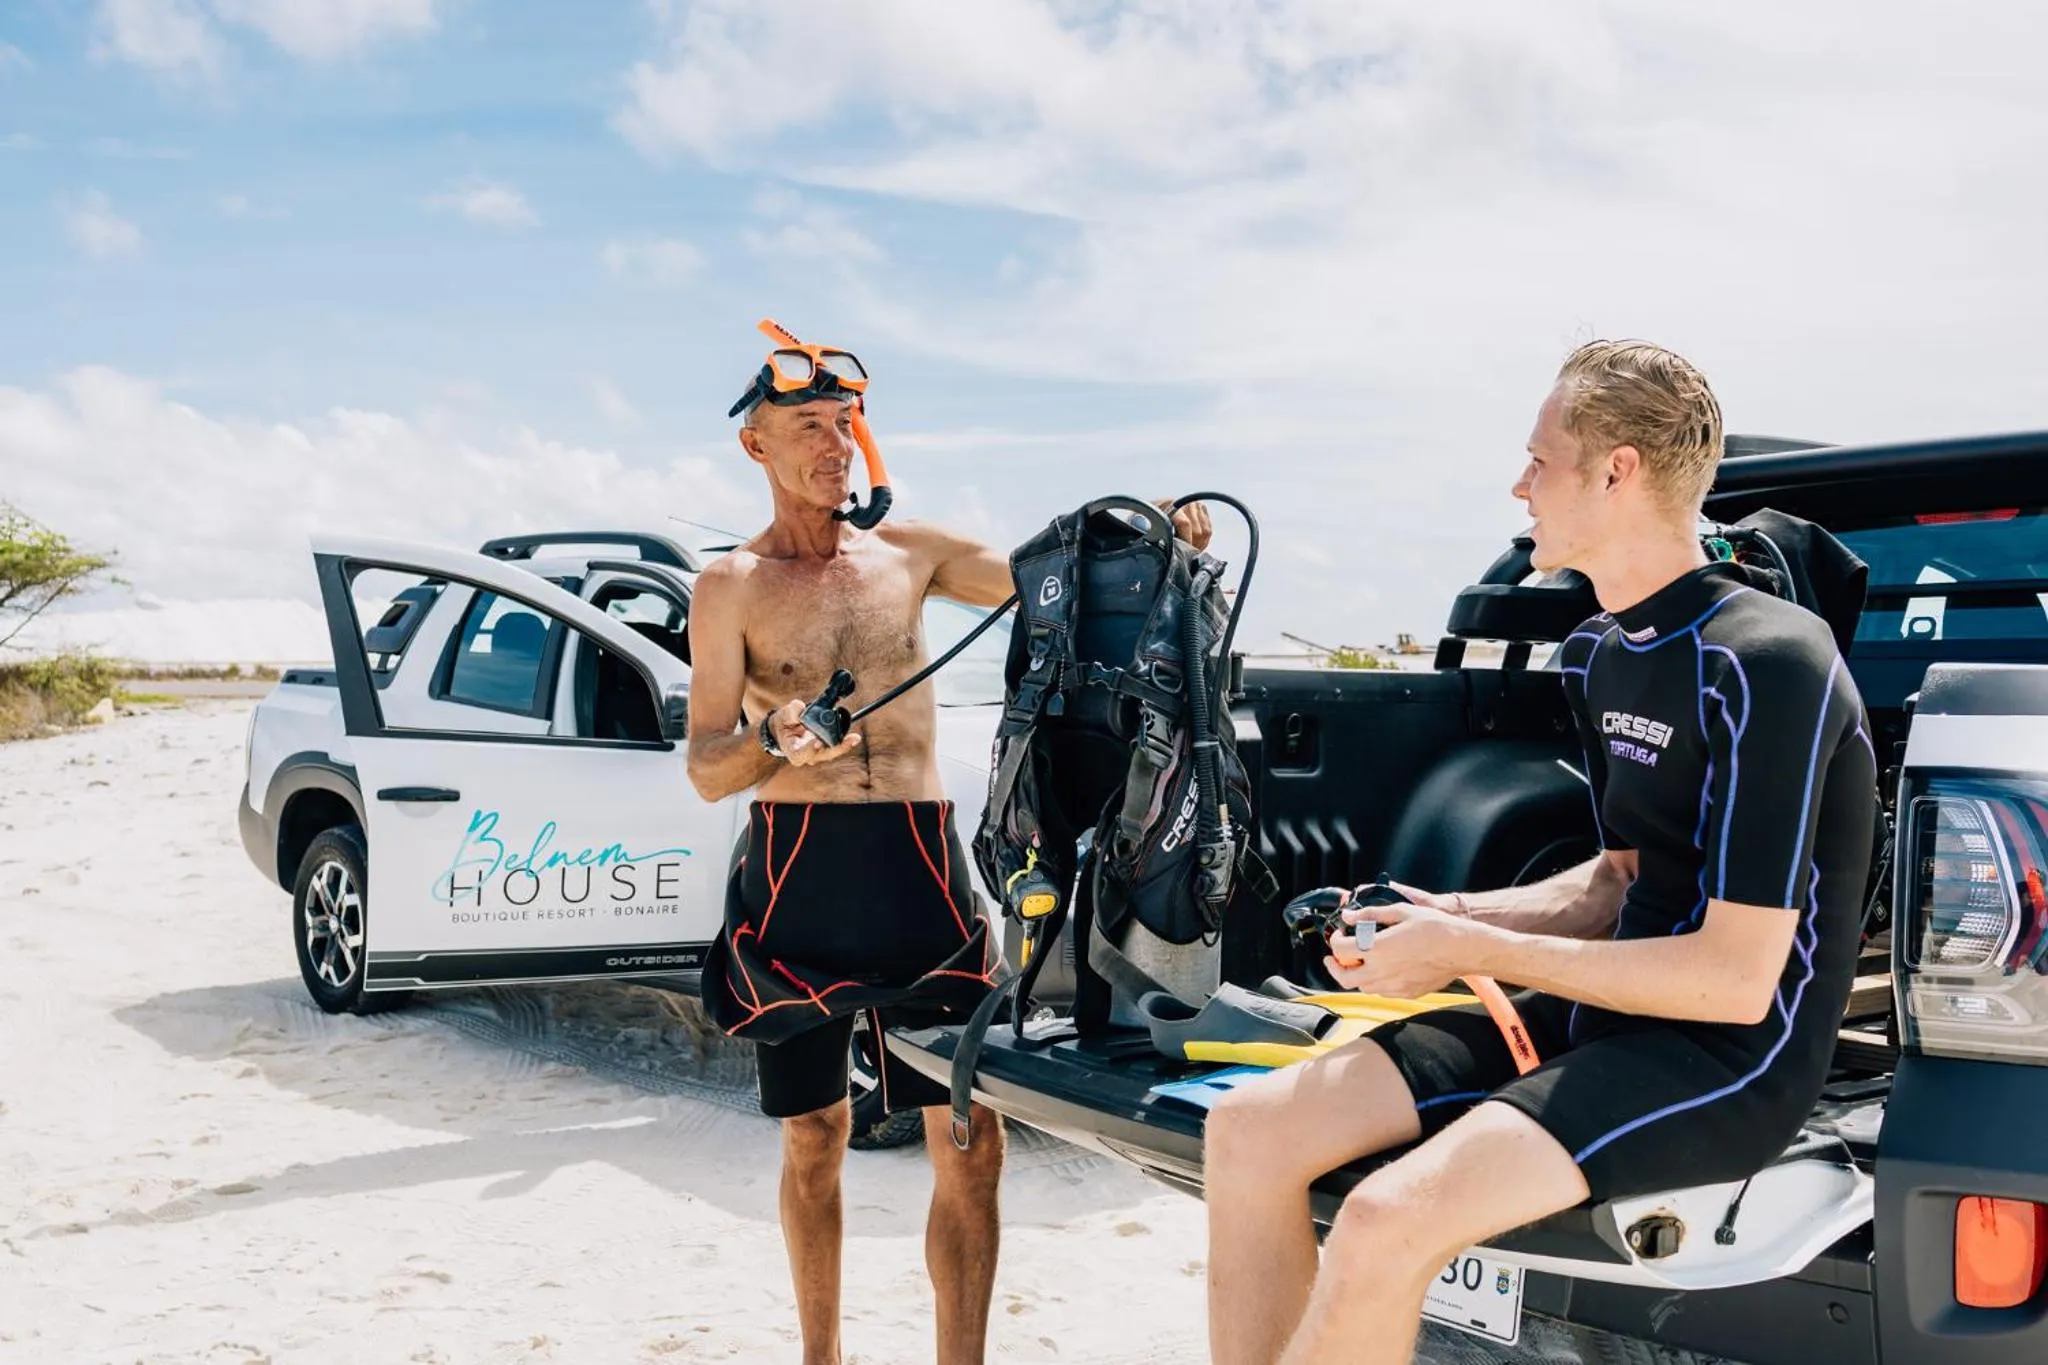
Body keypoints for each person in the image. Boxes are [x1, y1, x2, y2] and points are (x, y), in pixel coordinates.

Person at [1202, 340, 1877, 1365]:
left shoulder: (1768, 661)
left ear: (1617, 471)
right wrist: (1446, 915)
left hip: (1726, 1060)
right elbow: (1617, 880)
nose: (1519, 486)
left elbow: (1736, 982)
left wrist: (1467, 952)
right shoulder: (1600, 650)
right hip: (1602, 1018)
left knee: (1384, 1221)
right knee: (1247, 1133)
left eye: (1539, 460)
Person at [686, 332, 1210, 1365]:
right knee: (814, 1135)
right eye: (808, 426)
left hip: (920, 867)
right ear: (756, 445)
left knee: (970, 1136)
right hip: (795, 870)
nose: (834, 445)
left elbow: (1058, 579)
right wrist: (774, 736)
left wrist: (1153, 530)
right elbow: (706, 766)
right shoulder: (730, 584)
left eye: (844, 424)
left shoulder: (910, 552)